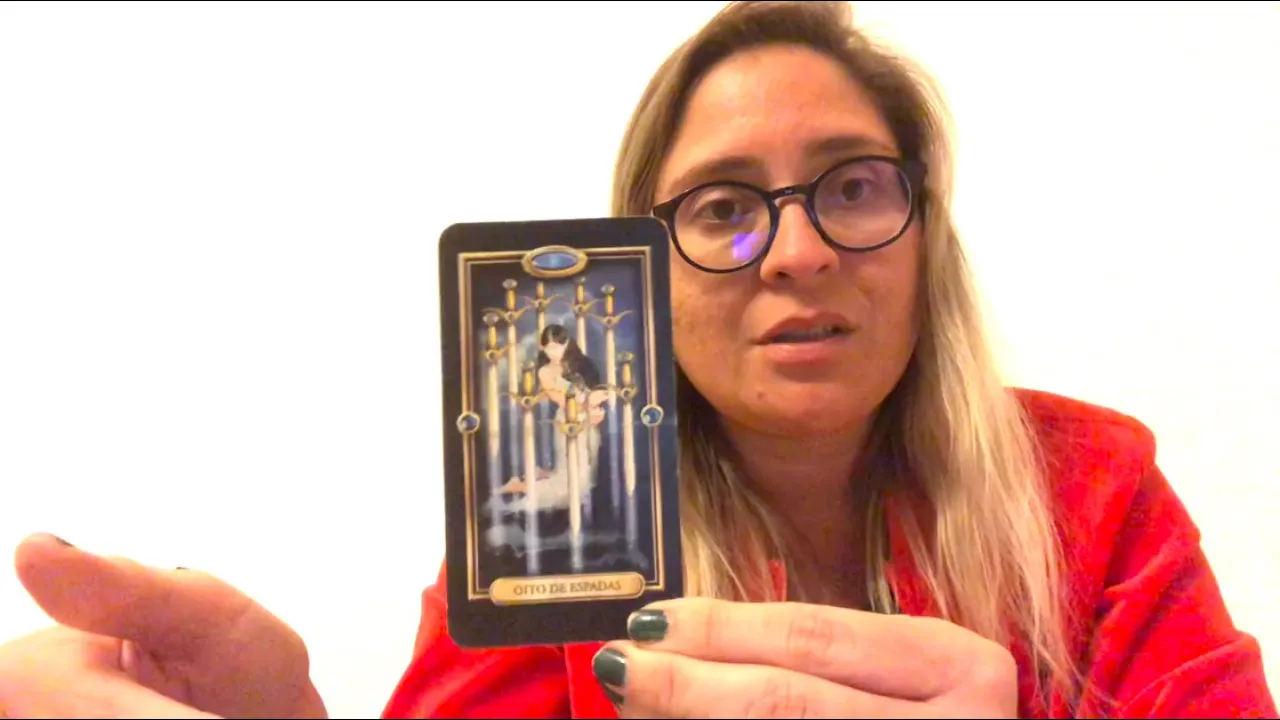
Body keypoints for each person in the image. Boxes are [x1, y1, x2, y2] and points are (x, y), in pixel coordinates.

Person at [0, 1, 1274, 718]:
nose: (795, 253)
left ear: (922, 234)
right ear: (640, 274)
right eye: (722, 207)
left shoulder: (1091, 487)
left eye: (851, 186)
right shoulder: (542, 537)